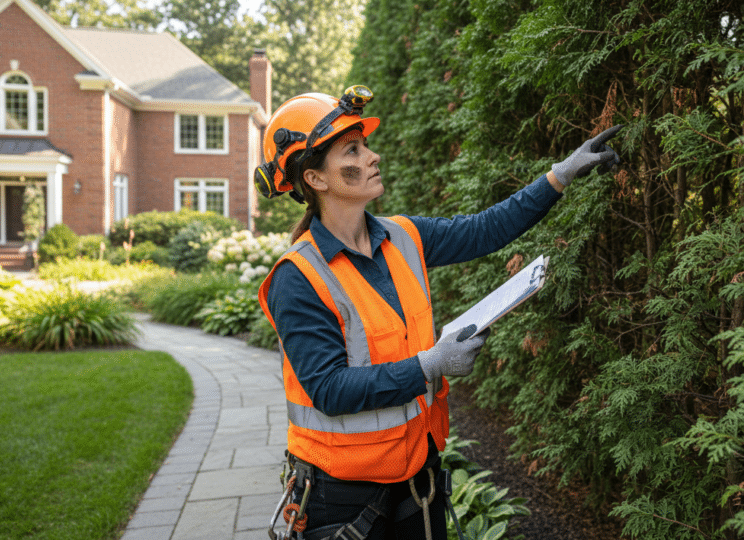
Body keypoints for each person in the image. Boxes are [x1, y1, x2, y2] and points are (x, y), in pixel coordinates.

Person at [256, 86, 621, 540]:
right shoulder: (298, 277)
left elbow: (484, 230)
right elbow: (329, 389)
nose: (372, 156)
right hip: (343, 497)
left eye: (365, 144)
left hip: (416, 479)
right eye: (353, 149)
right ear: (315, 179)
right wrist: (431, 364)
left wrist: (559, 176)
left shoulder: (403, 236)